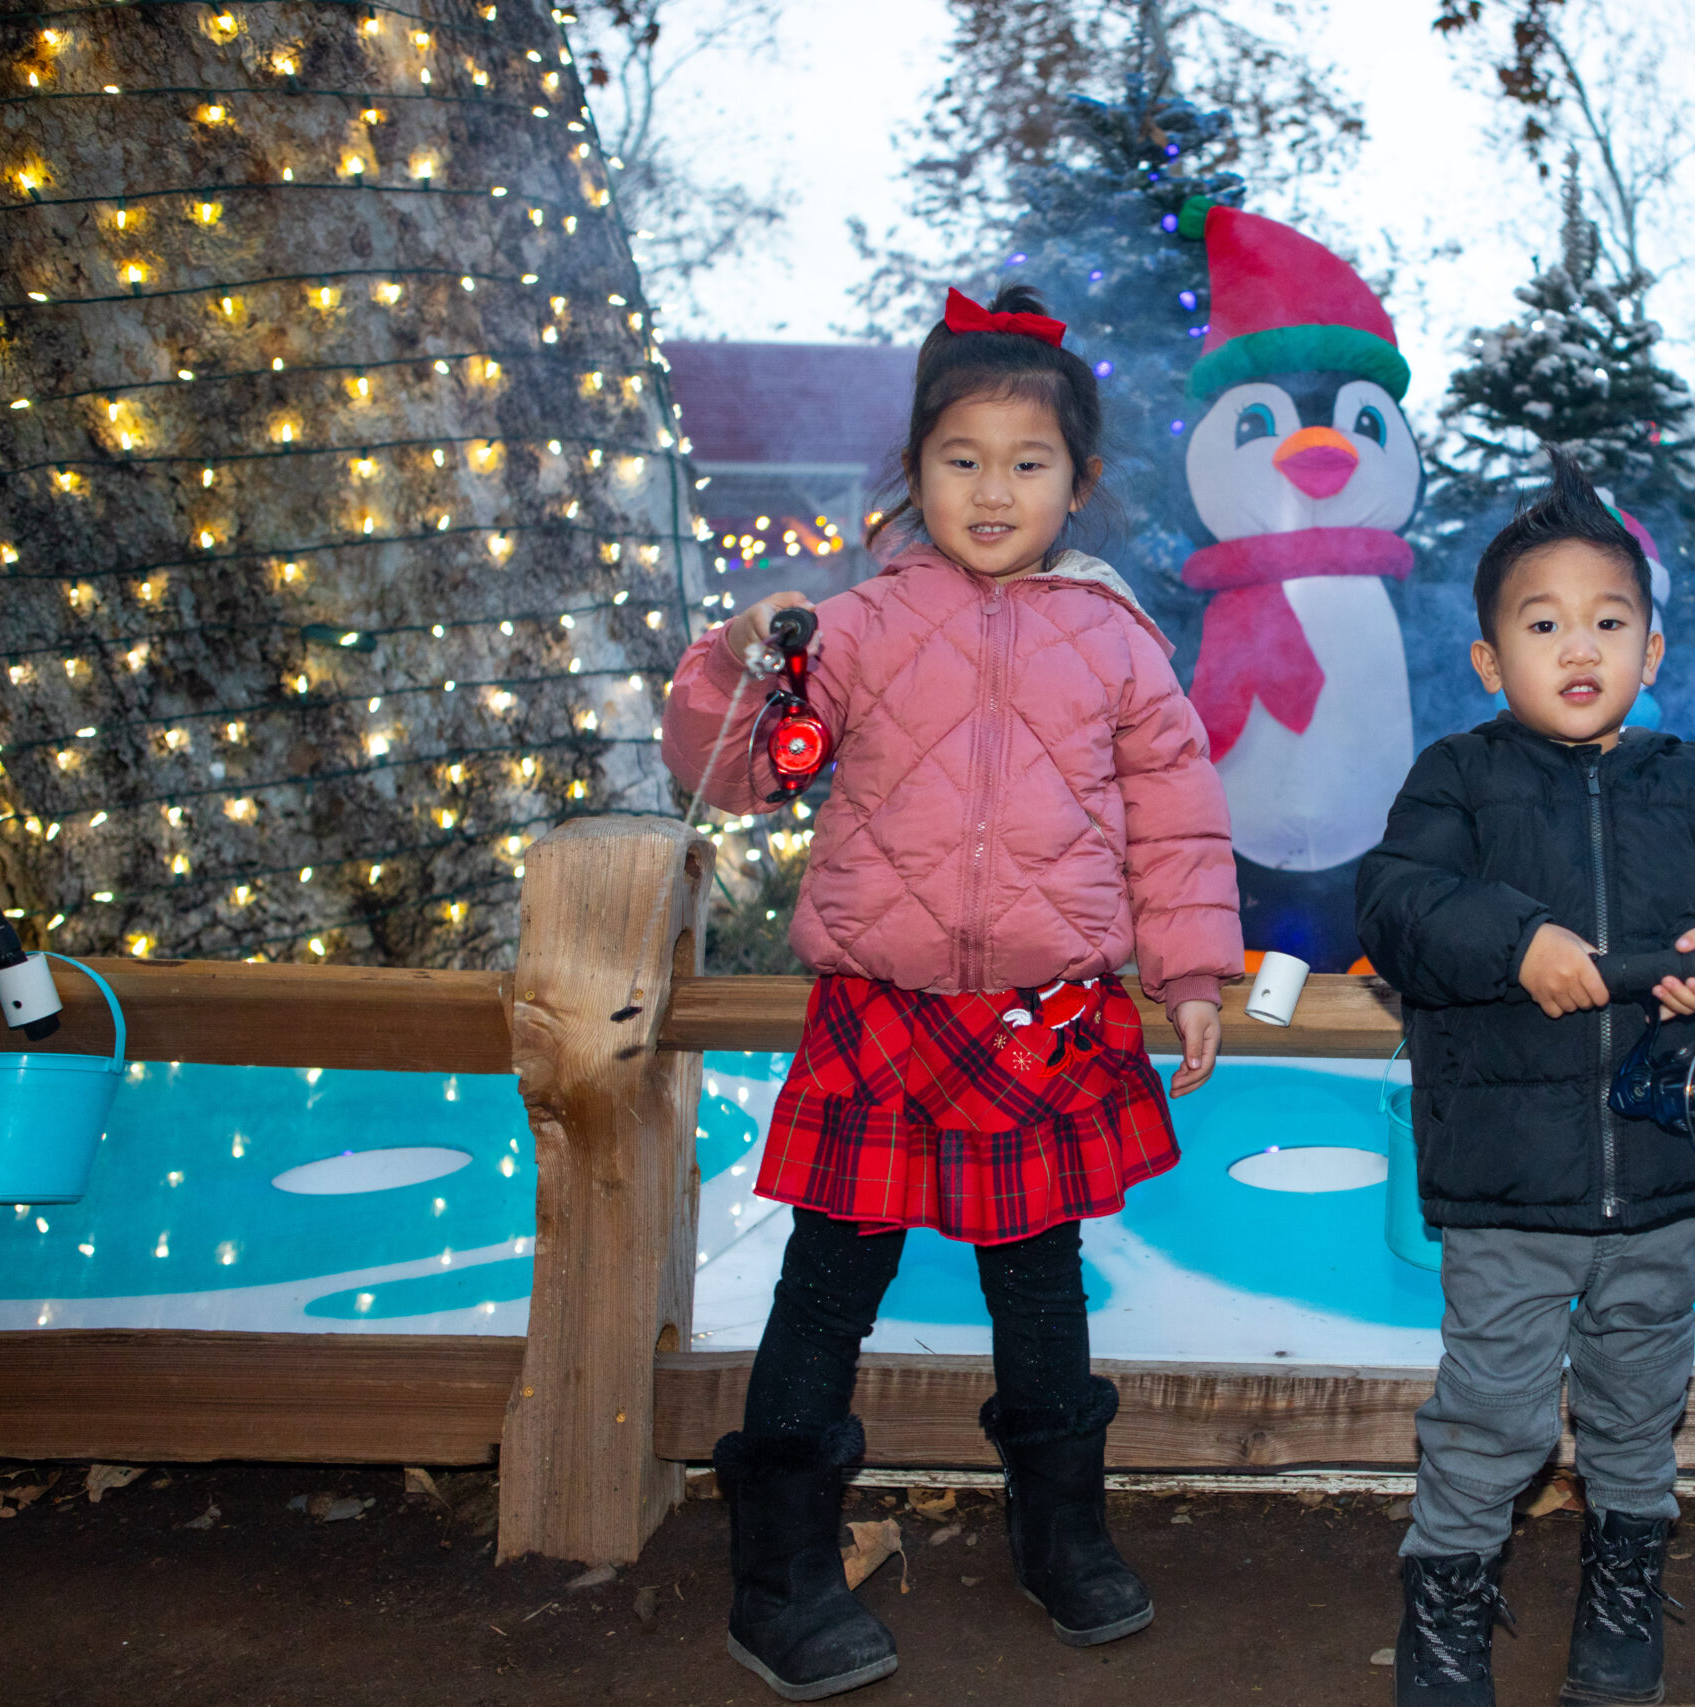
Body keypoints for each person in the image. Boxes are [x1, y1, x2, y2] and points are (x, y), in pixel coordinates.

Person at [662, 283, 1244, 1701]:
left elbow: (1175, 812)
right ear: (915, 469)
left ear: (1079, 482)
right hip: (885, 1008)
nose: (994, 488)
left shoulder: (1114, 641)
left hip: (1045, 1012)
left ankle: (1063, 1532)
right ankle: (780, 1566)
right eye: (962, 458)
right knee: (827, 1282)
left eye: (1028, 462)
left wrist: (1188, 966)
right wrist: (739, 662)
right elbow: (738, 774)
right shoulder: (851, 625)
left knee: (1041, 1285)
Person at [1356, 455, 1695, 1707]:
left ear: (1654, 653)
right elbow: (1397, 907)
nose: (1578, 646)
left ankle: (1622, 1583)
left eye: (1608, 622)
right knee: (1491, 1416)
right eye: (1542, 622)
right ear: (1488, 660)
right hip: (1507, 1181)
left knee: (1635, 1398)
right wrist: (1515, 942)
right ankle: (1444, 1604)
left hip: (1670, 1173)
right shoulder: (1456, 777)